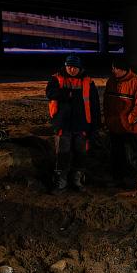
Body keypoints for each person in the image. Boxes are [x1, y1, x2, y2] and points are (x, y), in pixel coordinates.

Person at [46, 54, 100, 194]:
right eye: (69, 66)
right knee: (62, 155)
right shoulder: (56, 78)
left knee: (80, 155)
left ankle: (77, 181)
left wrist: (94, 127)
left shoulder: (88, 82)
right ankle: (61, 183)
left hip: (81, 125)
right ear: (65, 66)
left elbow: (94, 106)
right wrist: (68, 94)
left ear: (80, 68)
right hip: (63, 125)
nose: (72, 69)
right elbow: (50, 93)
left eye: (75, 67)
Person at [103, 56, 137, 191]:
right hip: (114, 126)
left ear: (123, 68)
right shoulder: (111, 82)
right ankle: (118, 179)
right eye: (112, 67)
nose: (113, 70)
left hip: (131, 129)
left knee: (134, 156)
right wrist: (108, 119)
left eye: (115, 67)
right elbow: (106, 103)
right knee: (116, 155)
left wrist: (128, 121)